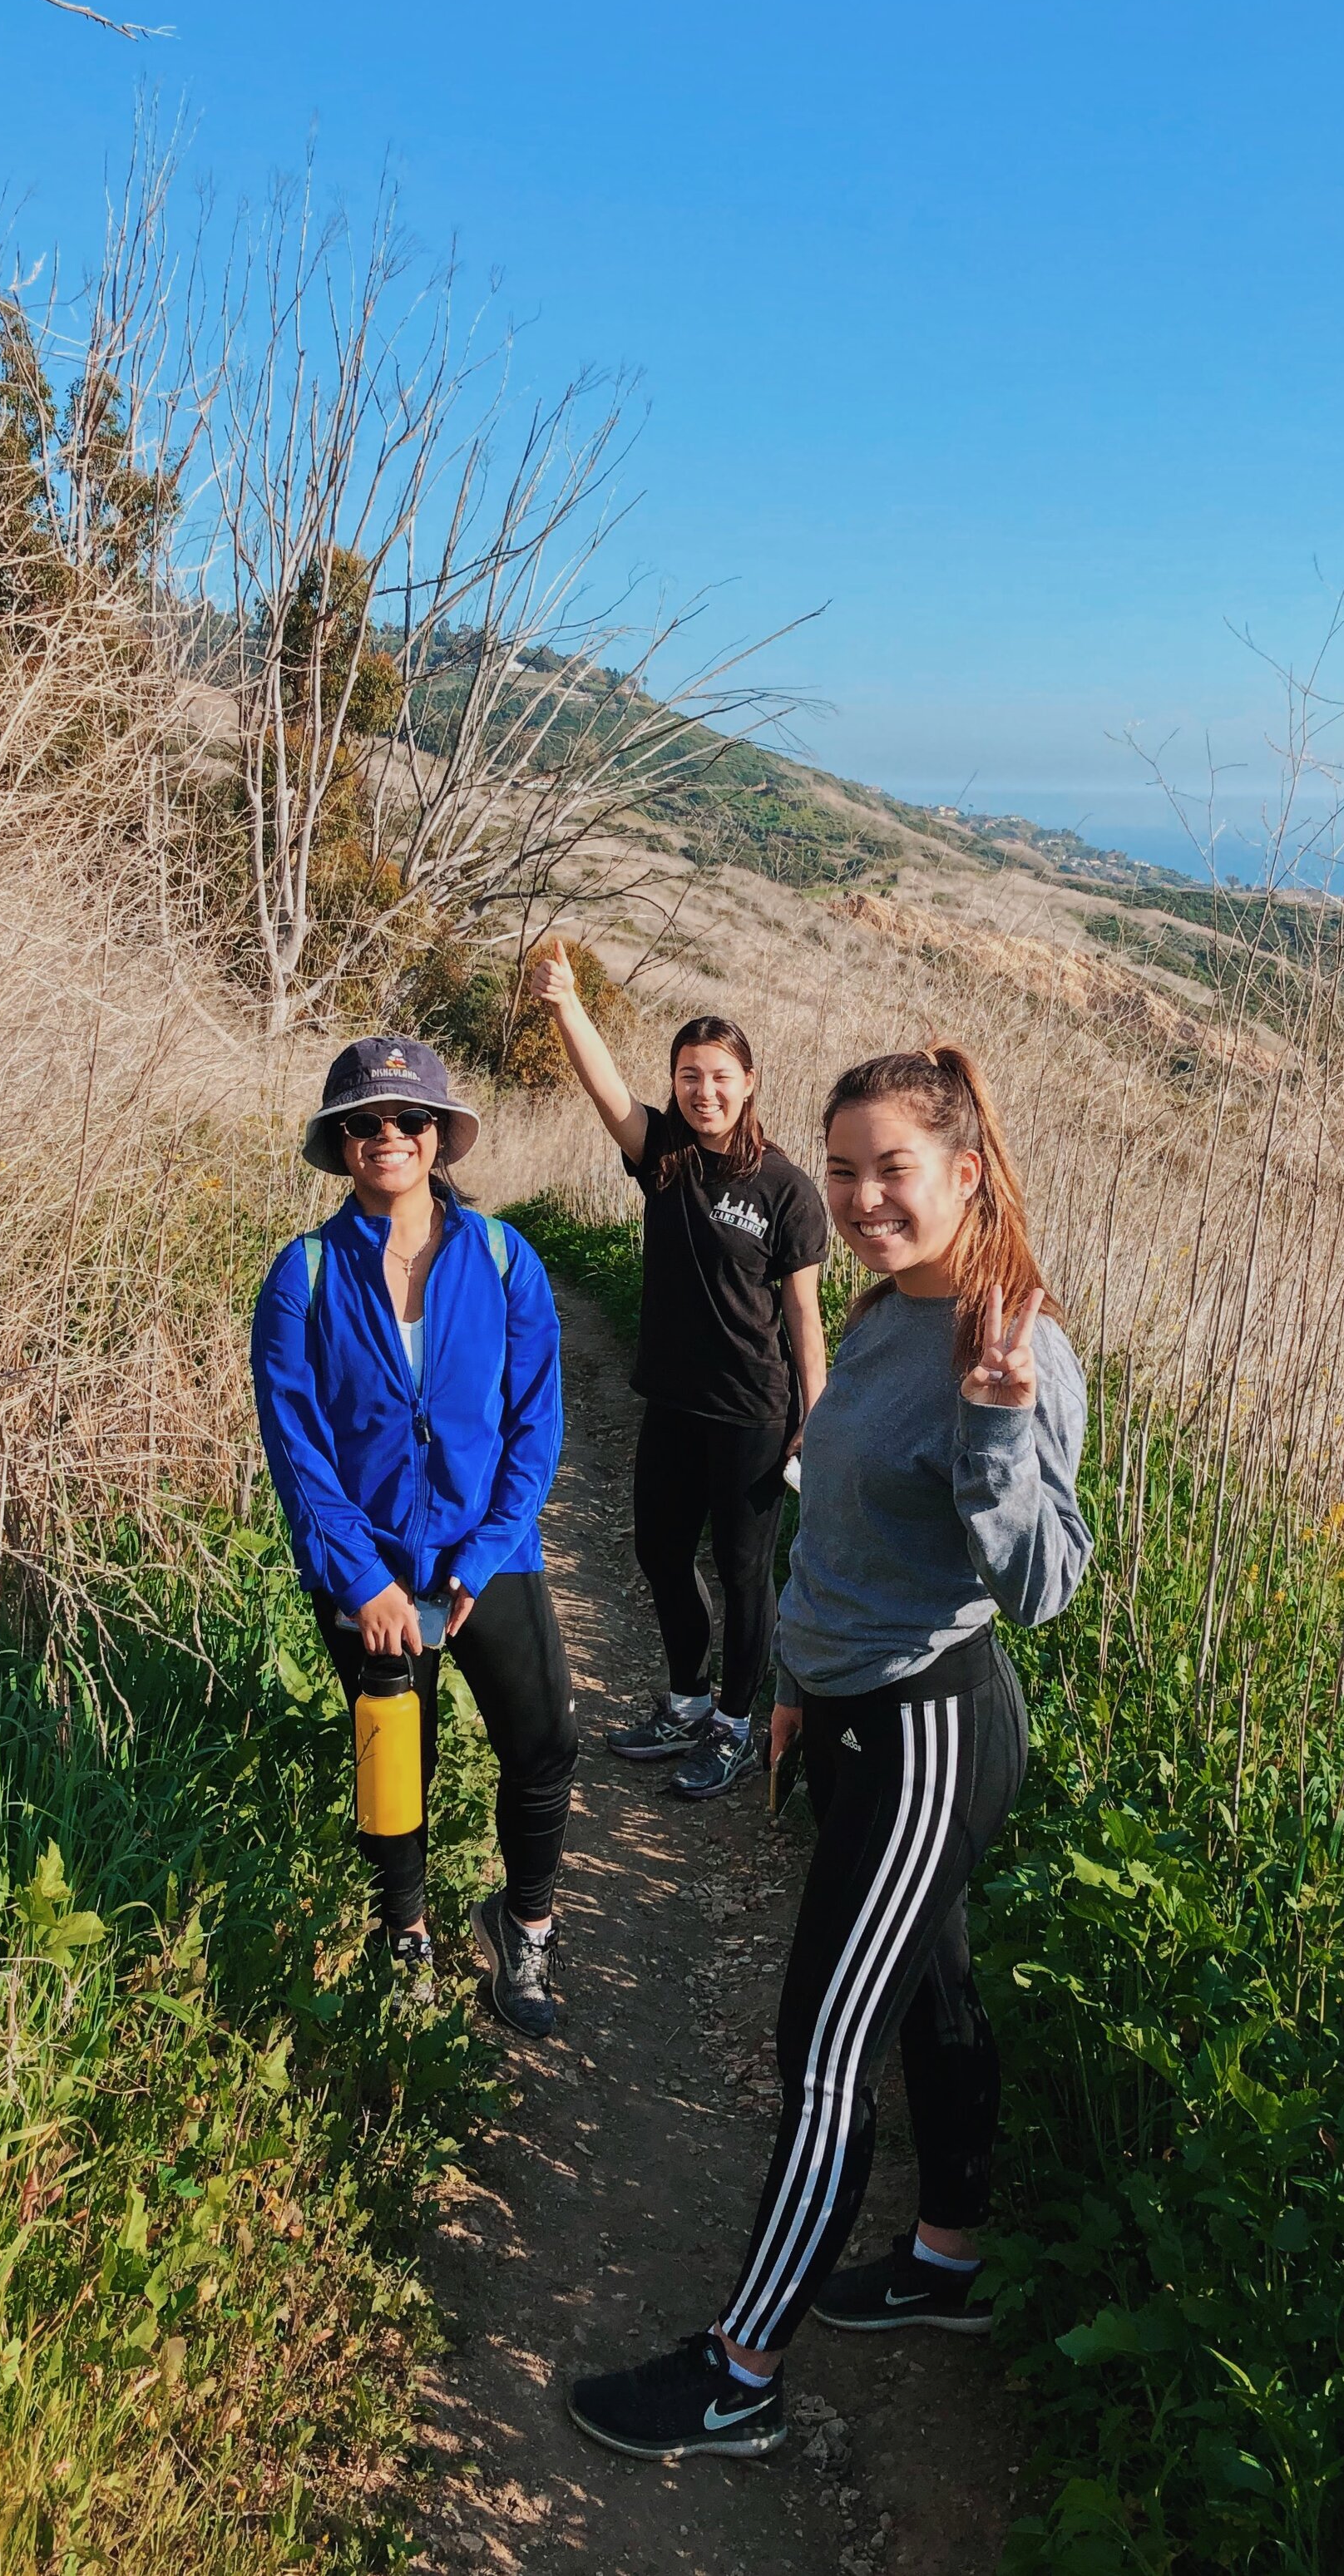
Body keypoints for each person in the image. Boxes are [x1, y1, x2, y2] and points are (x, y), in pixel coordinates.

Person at [566, 1042, 1093, 2459]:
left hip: (933, 1730)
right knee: (932, 1988)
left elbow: (1044, 1583)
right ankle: (947, 2260)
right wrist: (798, 1673)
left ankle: (739, 2375)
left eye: (892, 1170)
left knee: (824, 2044)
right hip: (856, 1712)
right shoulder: (883, 1310)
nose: (862, 1197)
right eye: (845, 1169)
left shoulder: (1011, 1344)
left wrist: (999, 1427)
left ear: (965, 1171)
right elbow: (842, 1524)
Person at [250, 1036, 576, 2039]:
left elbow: (535, 1424)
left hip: (491, 1553)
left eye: (410, 1119)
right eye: (364, 1121)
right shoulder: (302, 1275)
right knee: (395, 1766)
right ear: (340, 1142)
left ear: (439, 1137)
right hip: (369, 1569)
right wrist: (362, 1581)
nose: (388, 1135)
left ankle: (524, 1929)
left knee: (543, 1744)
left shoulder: (504, 1258)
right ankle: (406, 1938)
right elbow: (297, 1449)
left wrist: (483, 1553)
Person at [529, 941, 828, 1800]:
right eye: (689, 1075)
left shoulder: (786, 1189)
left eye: (720, 1076)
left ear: (749, 1081)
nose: (704, 1091)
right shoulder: (664, 1156)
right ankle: (689, 1701)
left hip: (752, 1410)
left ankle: (735, 1726)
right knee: (660, 1552)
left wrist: (817, 1411)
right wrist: (566, 1006)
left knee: (743, 1572)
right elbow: (606, 1093)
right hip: (672, 1402)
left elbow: (802, 1315)